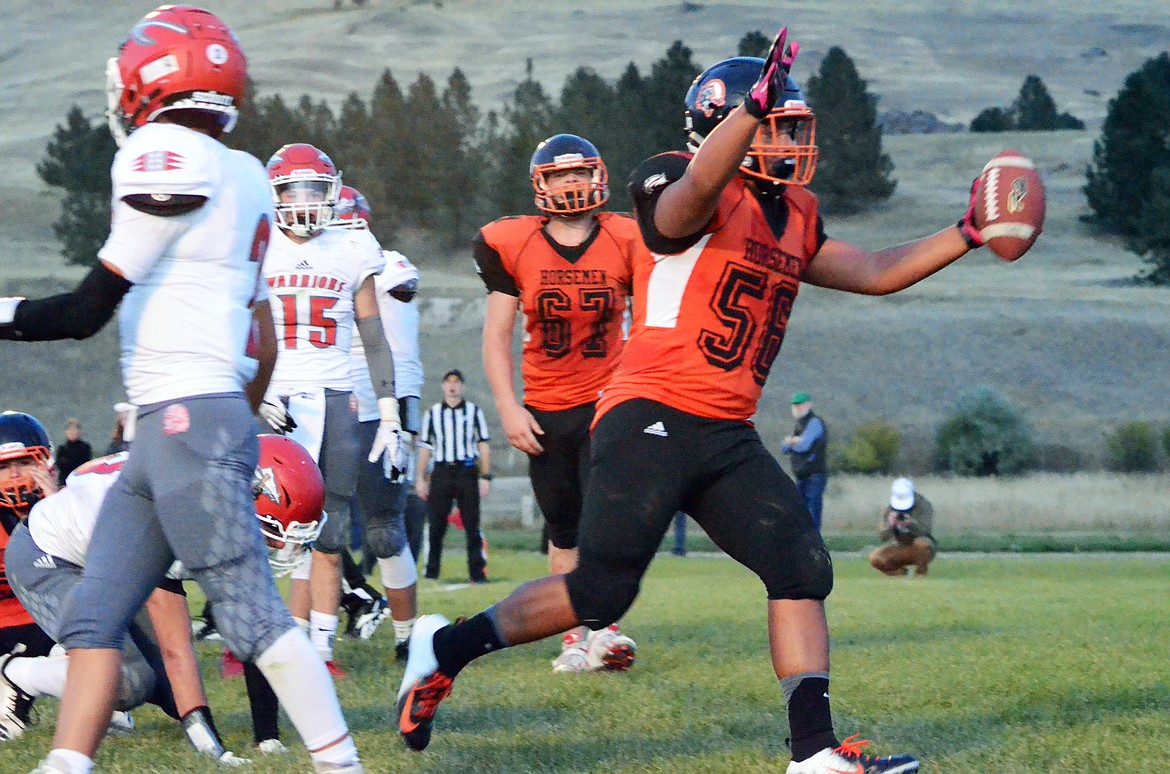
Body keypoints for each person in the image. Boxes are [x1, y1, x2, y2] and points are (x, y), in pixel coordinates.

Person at [395, 21, 996, 771]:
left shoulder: (796, 213)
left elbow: (874, 269)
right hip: (650, 410)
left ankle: (813, 754)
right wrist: (748, 112)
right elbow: (684, 207)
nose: (788, 138)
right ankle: (443, 647)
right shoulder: (675, 176)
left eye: (787, 123)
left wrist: (966, 232)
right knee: (602, 590)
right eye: (773, 122)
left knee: (801, 566)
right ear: (730, 124)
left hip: (726, 428)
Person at [0, 7, 363, 772]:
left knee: (250, 614)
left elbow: (85, 311)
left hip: (183, 420)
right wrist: (242, 415)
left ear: (148, 79)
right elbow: (260, 333)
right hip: (185, 421)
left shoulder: (161, 149)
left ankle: (340, 763)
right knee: (95, 619)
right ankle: (66, 764)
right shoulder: (246, 173)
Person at [3, 434, 327, 761]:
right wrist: (214, 753)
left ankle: (87, 670)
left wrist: (267, 738)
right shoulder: (173, 515)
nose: (276, 546)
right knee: (129, 682)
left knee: (170, 695)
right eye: (271, 532)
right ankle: (18, 674)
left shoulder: (208, 494)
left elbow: (252, 628)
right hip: (46, 557)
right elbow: (177, 650)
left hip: (106, 557)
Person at [476, 133, 638, 673]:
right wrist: (508, 407)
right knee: (563, 527)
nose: (571, 183)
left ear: (598, 177)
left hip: (606, 400)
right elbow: (497, 334)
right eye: (559, 175)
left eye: (580, 173)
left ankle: (606, 630)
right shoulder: (512, 242)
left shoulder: (627, 237)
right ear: (539, 184)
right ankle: (572, 637)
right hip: (544, 406)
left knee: (602, 519)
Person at [259, 144, 407, 678]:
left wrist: (388, 409)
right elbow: (237, 324)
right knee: (258, 527)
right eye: (293, 190)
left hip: (334, 397)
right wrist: (253, 392)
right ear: (274, 194)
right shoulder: (258, 244)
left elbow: (372, 332)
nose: (304, 202)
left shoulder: (351, 244)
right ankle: (253, 641)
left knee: (330, 527)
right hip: (273, 402)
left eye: (315, 191)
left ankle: (318, 649)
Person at [332, 186, 424, 660]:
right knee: (306, 529)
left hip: (374, 410)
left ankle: (408, 638)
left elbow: (403, 351)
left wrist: (406, 415)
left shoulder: (389, 267)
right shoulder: (308, 270)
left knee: (384, 531)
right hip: (318, 407)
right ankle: (317, 641)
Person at [0, 413, 59, 742]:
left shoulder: (68, 507)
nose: (16, 475)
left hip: (53, 627)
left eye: (23, 462)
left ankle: (107, 701)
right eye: (5, 466)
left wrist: (61, 511)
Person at [415, 370, 491, 583]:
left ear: (462, 387)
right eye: (448, 382)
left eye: (456, 382)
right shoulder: (433, 414)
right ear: (442, 386)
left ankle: (477, 573)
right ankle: (431, 571)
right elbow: (425, 448)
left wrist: (486, 476)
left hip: (466, 471)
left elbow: (483, 445)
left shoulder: (474, 412)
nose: (452, 386)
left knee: (472, 524)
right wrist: (420, 478)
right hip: (442, 471)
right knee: (436, 524)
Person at [869, 477, 937, 577]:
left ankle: (921, 574)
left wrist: (910, 525)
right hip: (899, 545)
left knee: (922, 545)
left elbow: (925, 530)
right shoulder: (889, 509)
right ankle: (902, 575)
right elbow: (882, 536)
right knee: (876, 557)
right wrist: (890, 526)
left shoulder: (924, 505)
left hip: (920, 545)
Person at [781, 392, 828, 531]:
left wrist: (792, 441)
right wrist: (793, 442)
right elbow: (783, 448)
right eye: (795, 406)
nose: (797, 408)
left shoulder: (814, 422)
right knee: (799, 510)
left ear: (809, 405)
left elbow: (804, 446)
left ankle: (815, 544)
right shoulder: (799, 425)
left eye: (800, 405)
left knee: (812, 512)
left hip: (814, 475)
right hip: (801, 475)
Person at [54, 420, 92, 486]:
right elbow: (59, 465)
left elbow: (85, 463)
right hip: (65, 481)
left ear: (79, 431)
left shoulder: (85, 447)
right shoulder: (62, 448)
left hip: (81, 481)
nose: (72, 432)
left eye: (75, 430)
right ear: (66, 432)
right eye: (70, 430)